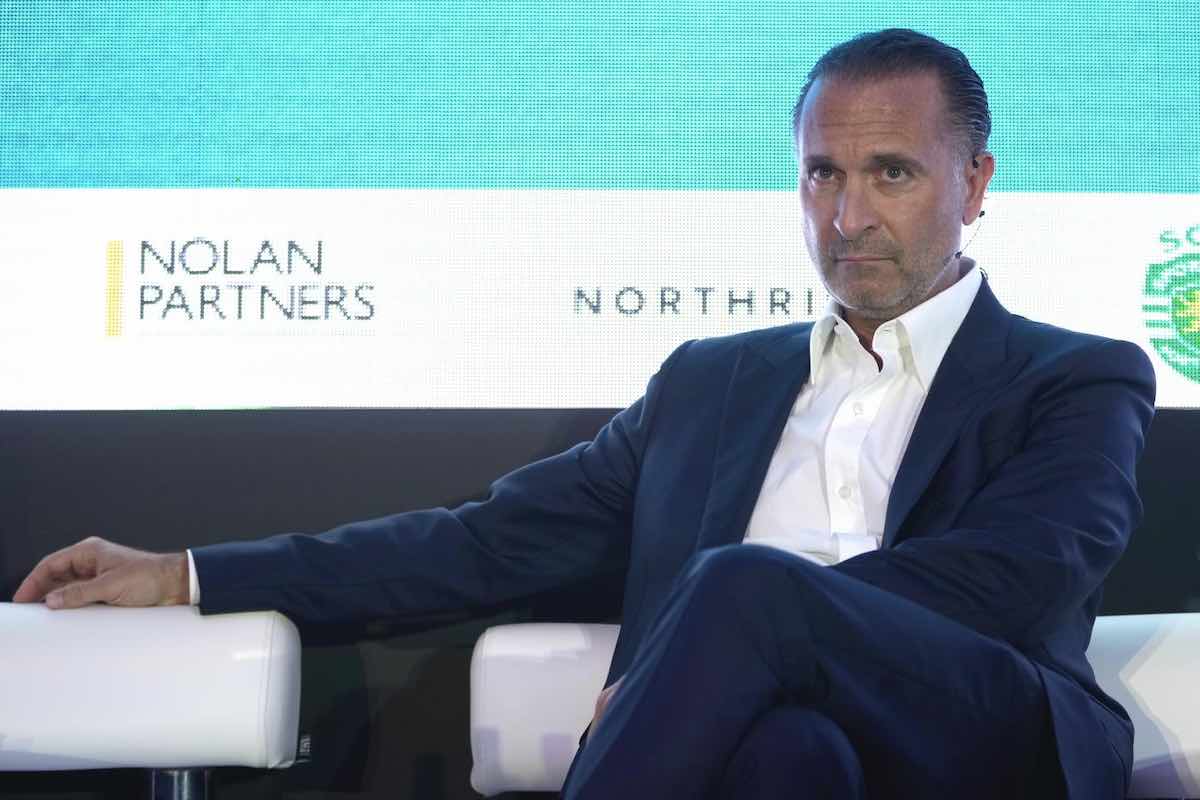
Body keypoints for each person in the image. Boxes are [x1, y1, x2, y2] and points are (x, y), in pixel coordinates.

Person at [14, 29, 1155, 800]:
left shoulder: (1075, 377)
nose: (847, 215)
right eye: (821, 174)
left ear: (975, 182)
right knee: (787, 752)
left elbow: (1013, 579)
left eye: (891, 173)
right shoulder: (710, 384)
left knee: (741, 585)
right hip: (759, 747)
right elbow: (481, 543)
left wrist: (717, 641)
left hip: (982, 733)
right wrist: (190, 572)